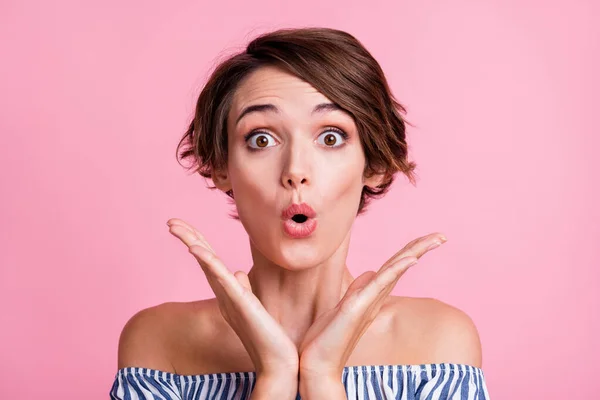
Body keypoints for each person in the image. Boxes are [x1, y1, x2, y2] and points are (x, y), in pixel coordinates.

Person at [109, 27, 490, 400]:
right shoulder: (161, 344)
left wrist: (322, 379)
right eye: (261, 139)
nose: (295, 170)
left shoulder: (438, 344)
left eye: (330, 137)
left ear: (374, 163)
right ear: (222, 167)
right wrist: (273, 379)